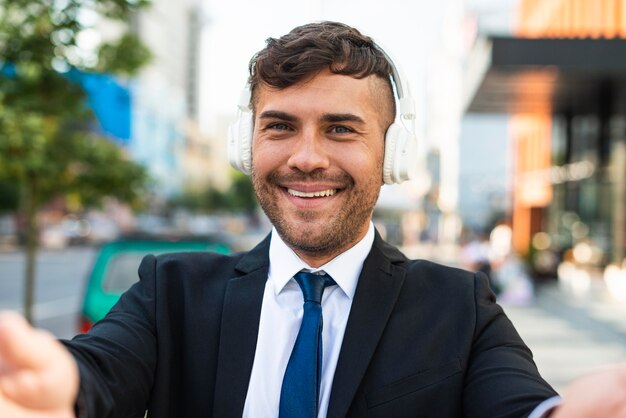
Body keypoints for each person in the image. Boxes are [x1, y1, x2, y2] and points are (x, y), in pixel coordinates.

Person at [1, 21, 626, 418]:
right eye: (279, 126)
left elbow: (518, 404)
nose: (306, 157)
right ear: (247, 147)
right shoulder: (170, 292)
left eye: (341, 129)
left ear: (393, 156)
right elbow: (97, 372)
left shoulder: (459, 306)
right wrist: (59, 386)